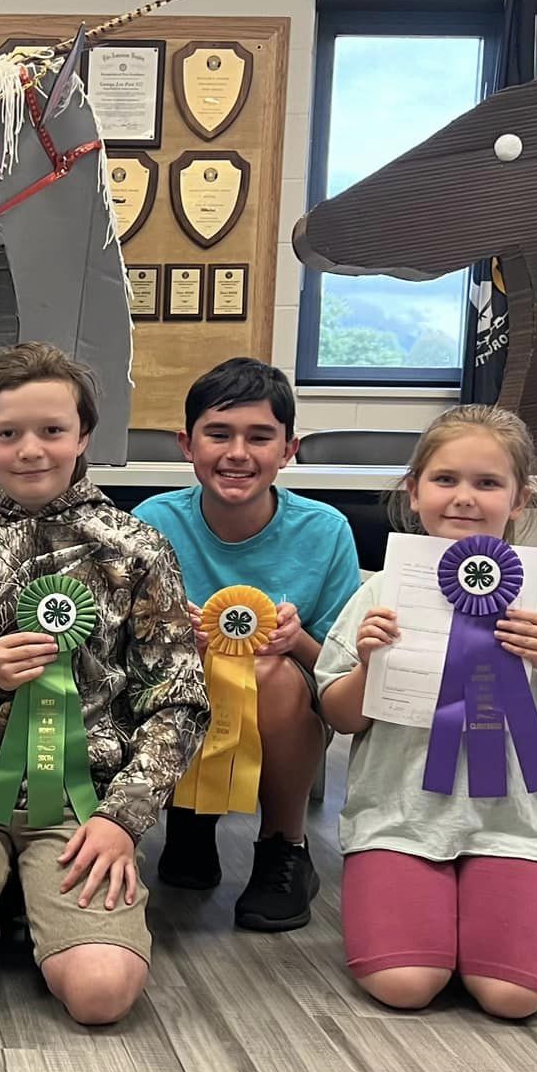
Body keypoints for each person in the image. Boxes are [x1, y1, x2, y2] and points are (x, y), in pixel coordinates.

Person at [0, 342, 209, 1025]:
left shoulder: (137, 550)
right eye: (8, 433)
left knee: (101, 992)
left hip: (83, 804)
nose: (31, 450)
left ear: (83, 436)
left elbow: (179, 702)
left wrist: (123, 818)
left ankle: (34, 896)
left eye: (52, 431)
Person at [317, 405, 537, 1019]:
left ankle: (479, 914)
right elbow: (341, 716)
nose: (463, 497)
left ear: (519, 499)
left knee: (514, 997)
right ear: (414, 490)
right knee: (405, 985)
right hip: (399, 822)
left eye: (487, 483)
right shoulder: (381, 591)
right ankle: (430, 916)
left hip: (517, 826)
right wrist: (369, 667)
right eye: (445, 479)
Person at [134, 358, 361, 932]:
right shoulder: (149, 521)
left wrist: (297, 640)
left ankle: (283, 847)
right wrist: (164, 630)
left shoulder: (327, 530)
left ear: (289, 450)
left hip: (287, 700)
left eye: (260, 437)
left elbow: (340, 666)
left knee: (271, 674)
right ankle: (190, 820)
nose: (238, 453)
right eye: (219, 434)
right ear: (187, 445)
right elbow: (123, 649)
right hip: (176, 692)